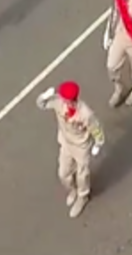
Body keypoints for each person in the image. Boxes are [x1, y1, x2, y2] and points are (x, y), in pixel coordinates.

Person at [34, 81, 104, 219]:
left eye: (66, 99)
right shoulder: (58, 102)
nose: (63, 101)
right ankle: (72, 189)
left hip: (81, 146)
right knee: (63, 173)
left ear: (73, 99)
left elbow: (96, 128)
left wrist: (98, 143)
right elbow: (41, 105)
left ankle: (82, 196)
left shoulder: (85, 113)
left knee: (82, 175)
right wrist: (44, 96)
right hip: (66, 142)